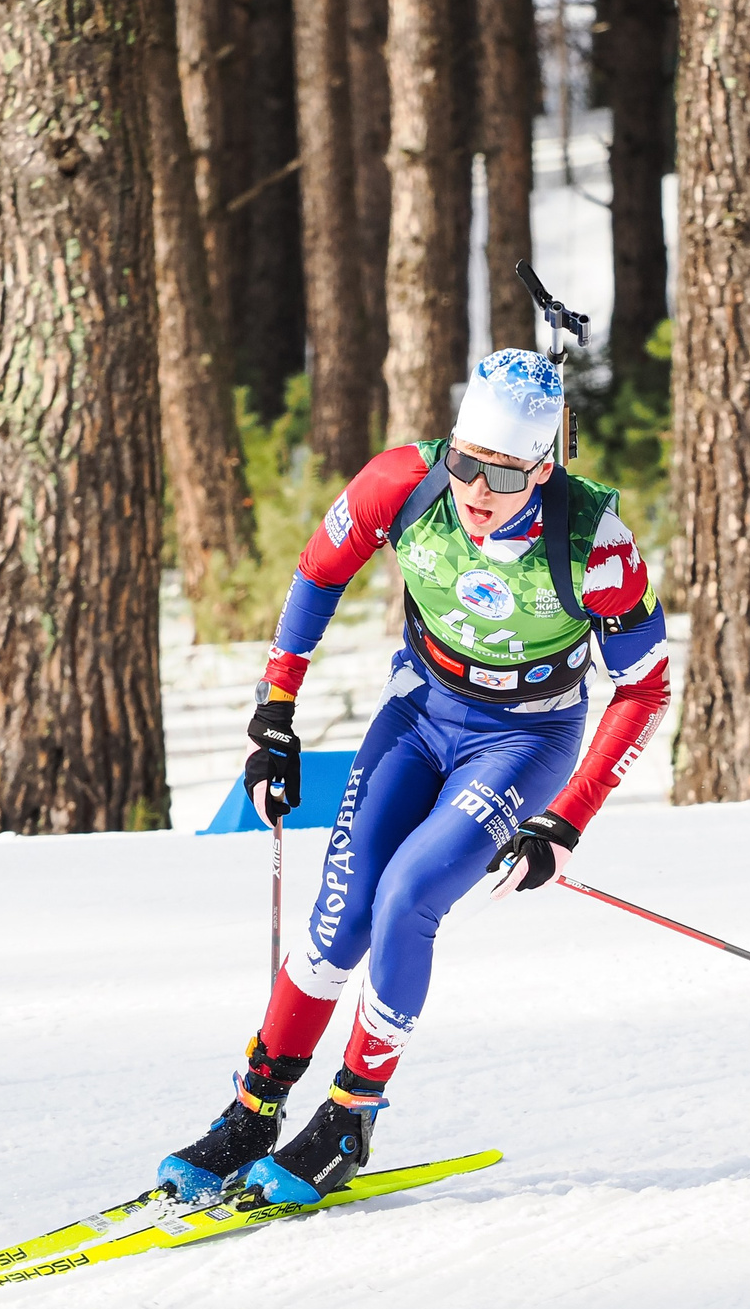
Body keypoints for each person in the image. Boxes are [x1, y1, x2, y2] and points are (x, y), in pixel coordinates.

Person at [158, 348, 670, 1206]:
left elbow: (646, 685)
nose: (476, 488)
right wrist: (275, 712)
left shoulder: (593, 544)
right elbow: (318, 574)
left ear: (543, 468)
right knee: (340, 911)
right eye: (466, 460)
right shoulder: (403, 482)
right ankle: (253, 1110)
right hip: (420, 708)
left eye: (504, 475)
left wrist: (567, 818)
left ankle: (350, 1114)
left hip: (525, 738)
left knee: (406, 898)